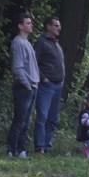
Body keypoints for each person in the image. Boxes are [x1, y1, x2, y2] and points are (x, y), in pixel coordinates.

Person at [6, 13, 40, 159]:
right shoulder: (18, 43)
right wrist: (27, 85)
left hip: (32, 86)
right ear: (20, 26)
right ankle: (11, 150)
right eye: (27, 23)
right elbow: (17, 68)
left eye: (31, 23)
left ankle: (21, 150)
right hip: (24, 88)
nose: (30, 25)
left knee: (26, 122)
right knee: (19, 121)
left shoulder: (27, 43)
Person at [33, 17, 65, 154]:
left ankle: (47, 145)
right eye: (56, 26)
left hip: (58, 85)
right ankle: (39, 146)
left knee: (53, 118)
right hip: (46, 85)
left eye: (59, 26)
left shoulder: (56, 44)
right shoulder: (41, 43)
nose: (59, 28)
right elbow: (34, 62)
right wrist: (43, 78)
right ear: (48, 27)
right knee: (42, 116)